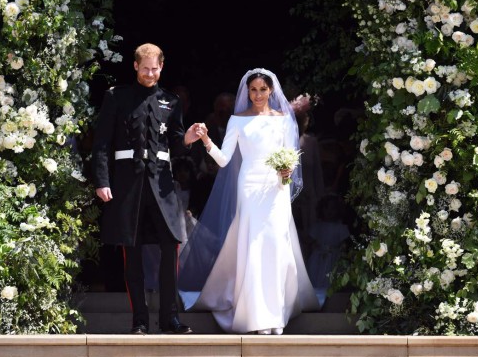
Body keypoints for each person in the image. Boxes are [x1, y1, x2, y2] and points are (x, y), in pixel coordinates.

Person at [178, 68, 319, 335]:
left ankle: (275, 313)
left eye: (262, 90)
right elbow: (223, 159)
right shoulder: (237, 120)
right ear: (247, 91)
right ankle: (255, 315)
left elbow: (290, 158)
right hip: (249, 185)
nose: (257, 94)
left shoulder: (284, 120)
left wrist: (286, 175)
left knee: (276, 244)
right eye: (253, 89)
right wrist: (206, 140)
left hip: (276, 188)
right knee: (253, 244)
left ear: (271, 91)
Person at [92, 43, 204, 335]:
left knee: (171, 248)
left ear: (161, 67)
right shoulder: (117, 97)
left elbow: (177, 143)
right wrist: (102, 181)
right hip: (128, 186)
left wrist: (189, 138)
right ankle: (139, 320)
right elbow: (102, 143)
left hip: (163, 187)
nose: (150, 74)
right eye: (145, 69)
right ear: (135, 66)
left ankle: (171, 319)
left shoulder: (171, 101)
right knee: (133, 254)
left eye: (155, 69)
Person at [290, 94, 325, 262]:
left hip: (308, 197)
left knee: (310, 235)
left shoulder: (311, 142)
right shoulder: (281, 142)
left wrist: (320, 197)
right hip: (287, 197)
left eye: (301, 120)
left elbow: (317, 171)